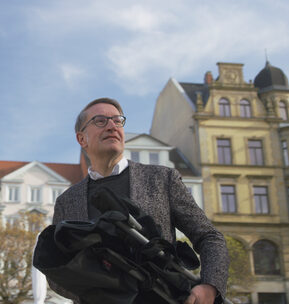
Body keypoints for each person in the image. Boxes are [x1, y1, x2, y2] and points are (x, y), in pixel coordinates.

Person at [51, 98, 229, 304]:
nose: (112, 126)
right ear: (82, 139)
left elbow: (209, 237)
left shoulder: (162, 179)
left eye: (117, 121)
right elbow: (56, 267)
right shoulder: (67, 201)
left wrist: (210, 285)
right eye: (100, 121)